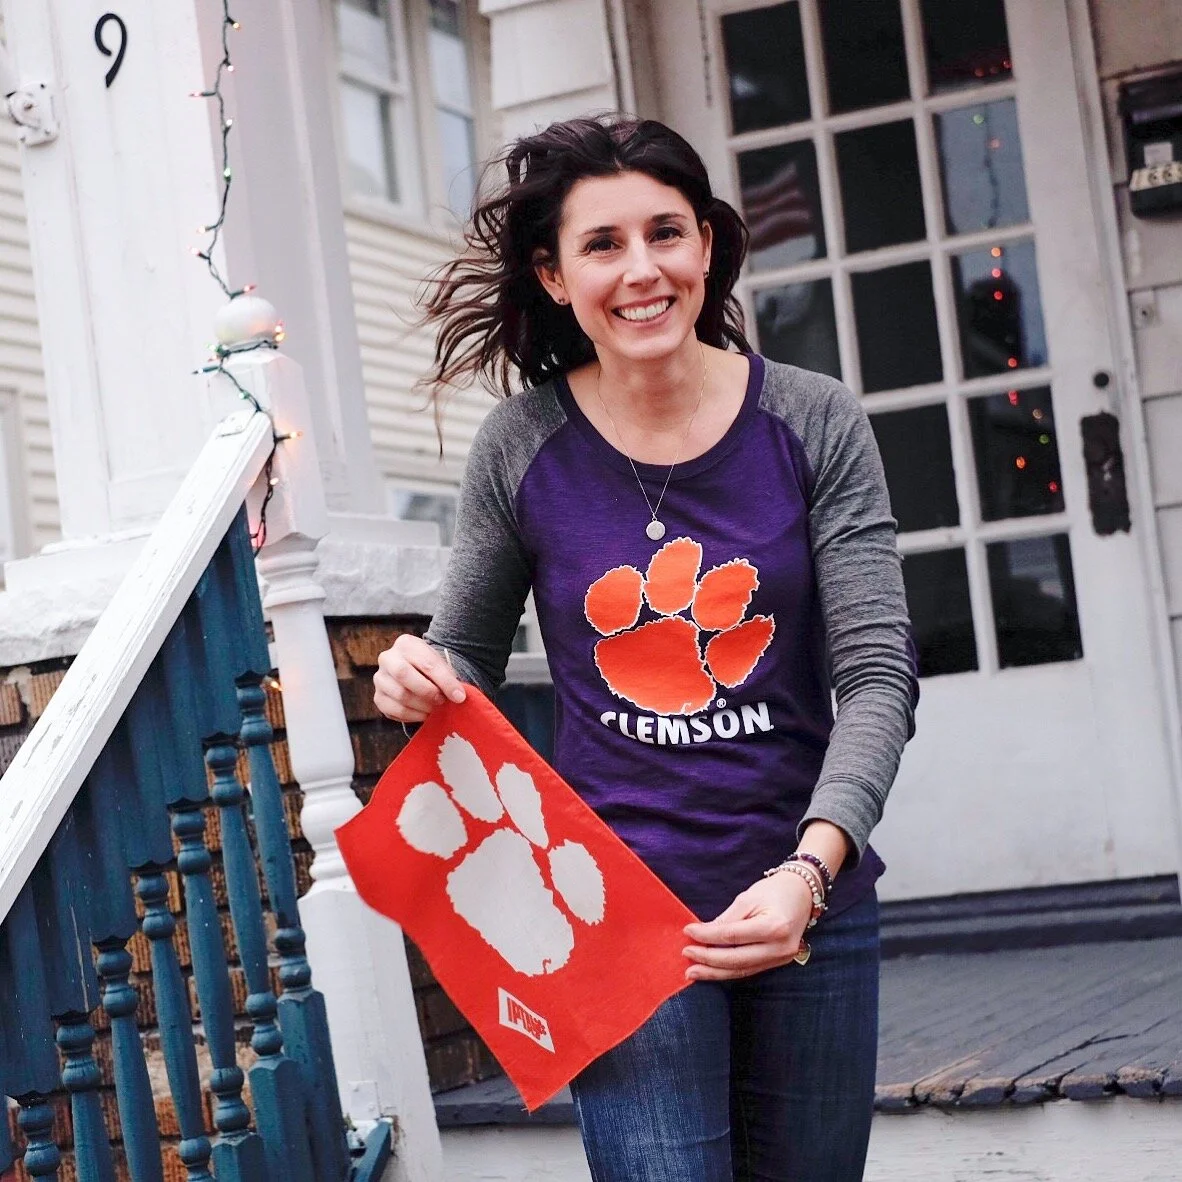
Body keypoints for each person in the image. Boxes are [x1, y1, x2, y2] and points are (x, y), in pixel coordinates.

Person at [373, 114, 918, 1181]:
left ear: (706, 245)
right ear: (554, 275)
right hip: (613, 913)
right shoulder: (522, 445)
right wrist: (417, 676)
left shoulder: (814, 421)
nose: (642, 270)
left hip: (805, 902)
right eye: (603, 244)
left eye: (666, 233)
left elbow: (876, 676)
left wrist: (810, 873)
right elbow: (464, 657)